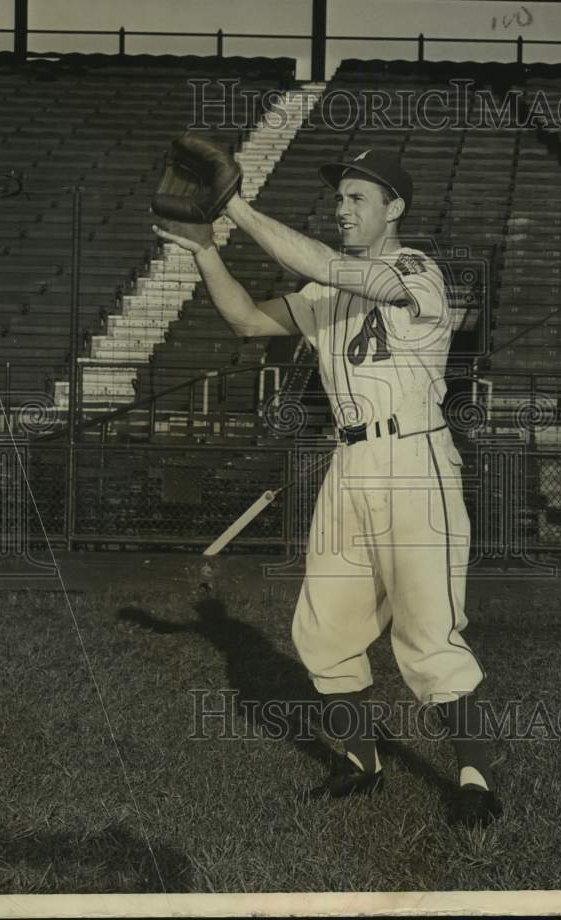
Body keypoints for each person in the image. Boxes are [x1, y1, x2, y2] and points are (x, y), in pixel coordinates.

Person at [153, 146, 501, 827]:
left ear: (393, 208)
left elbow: (332, 266)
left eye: (357, 200)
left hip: (413, 461)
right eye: (338, 200)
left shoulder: (417, 270)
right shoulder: (325, 290)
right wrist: (203, 252)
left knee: (427, 633)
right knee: (325, 628)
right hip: (350, 464)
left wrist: (235, 209)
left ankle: (474, 778)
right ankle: (360, 763)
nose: (341, 210)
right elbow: (249, 321)